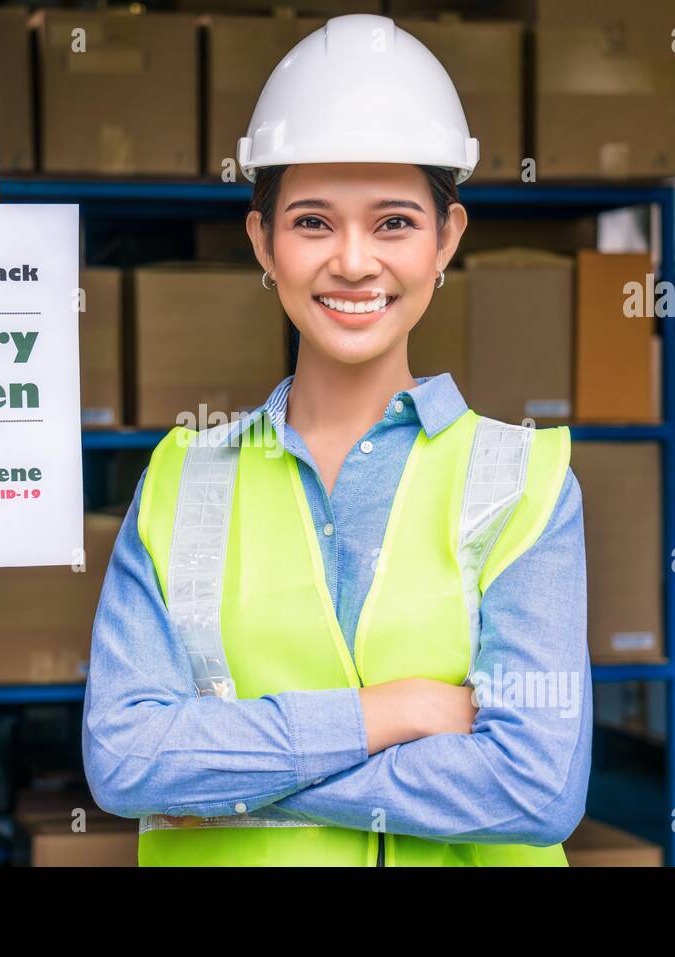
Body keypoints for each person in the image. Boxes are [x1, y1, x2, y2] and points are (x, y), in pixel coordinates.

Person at [82, 13, 591, 866]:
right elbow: (126, 758)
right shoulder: (185, 478)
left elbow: (535, 787)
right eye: (313, 222)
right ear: (263, 244)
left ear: (447, 239)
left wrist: (224, 782)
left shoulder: (523, 479)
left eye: (393, 221)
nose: (353, 262)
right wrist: (387, 713)